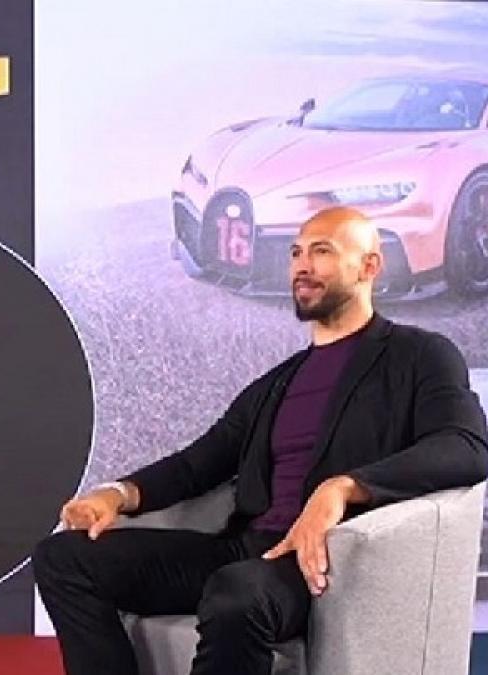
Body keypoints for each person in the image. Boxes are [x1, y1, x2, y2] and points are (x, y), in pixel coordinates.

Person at [33, 205, 488, 675]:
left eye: (322, 252)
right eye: (295, 253)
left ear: (369, 266)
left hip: (328, 560)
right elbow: (196, 465)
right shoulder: (277, 384)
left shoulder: (419, 355)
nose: (302, 266)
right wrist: (116, 494)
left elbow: (466, 448)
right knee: (64, 558)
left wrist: (345, 487)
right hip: (246, 551)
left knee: (237, 593)